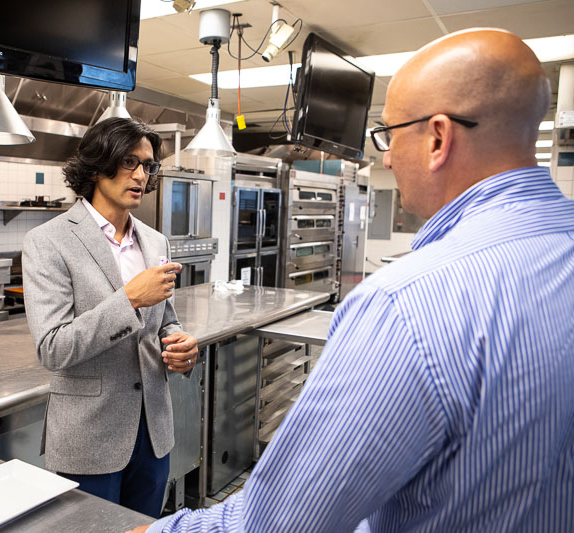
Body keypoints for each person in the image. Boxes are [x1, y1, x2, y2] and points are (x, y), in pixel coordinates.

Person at [134, 28, 574, 533]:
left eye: (389, 134)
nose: (385, 157)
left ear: (437, 138)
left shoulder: (407, 304)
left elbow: (280, 524)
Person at [22, 117, 199, 518]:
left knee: (146, 527)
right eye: (129, 162)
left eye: (148, 165)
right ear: (98, 165)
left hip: (153, 431)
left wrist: (181, 344)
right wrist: (129, 300)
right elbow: (53, 348)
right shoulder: (48, 241)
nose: (141, 174)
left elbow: (165, 319)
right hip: (89, 437)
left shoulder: (155, 240)